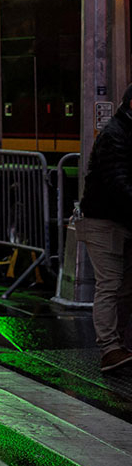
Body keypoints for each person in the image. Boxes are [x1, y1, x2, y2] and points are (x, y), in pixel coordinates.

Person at [80, 83, 132, 373]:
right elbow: (117, 181)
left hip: (120, 218)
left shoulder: (122, 131)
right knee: (111, 285)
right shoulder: (115, 135)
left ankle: (118, 345)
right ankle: (110, 348)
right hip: (104, 221)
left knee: (124, 287)